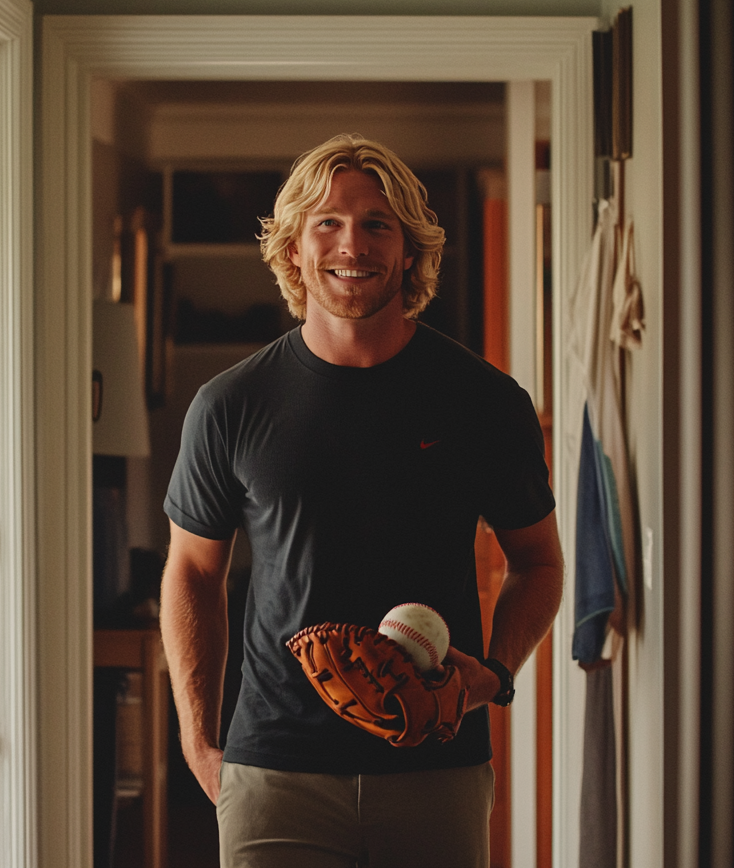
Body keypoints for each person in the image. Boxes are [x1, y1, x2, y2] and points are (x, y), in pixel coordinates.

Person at [160, 134, 564, 868]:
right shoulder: (229, 405)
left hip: (436, 766)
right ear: (293, 249)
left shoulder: (484, 401)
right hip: (275, 770)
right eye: (328, 222)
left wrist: (494, 672)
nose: (354, 243)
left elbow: (538, 562)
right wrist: (197, 740)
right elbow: (191, 571)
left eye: (378, 223)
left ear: (411, 250)